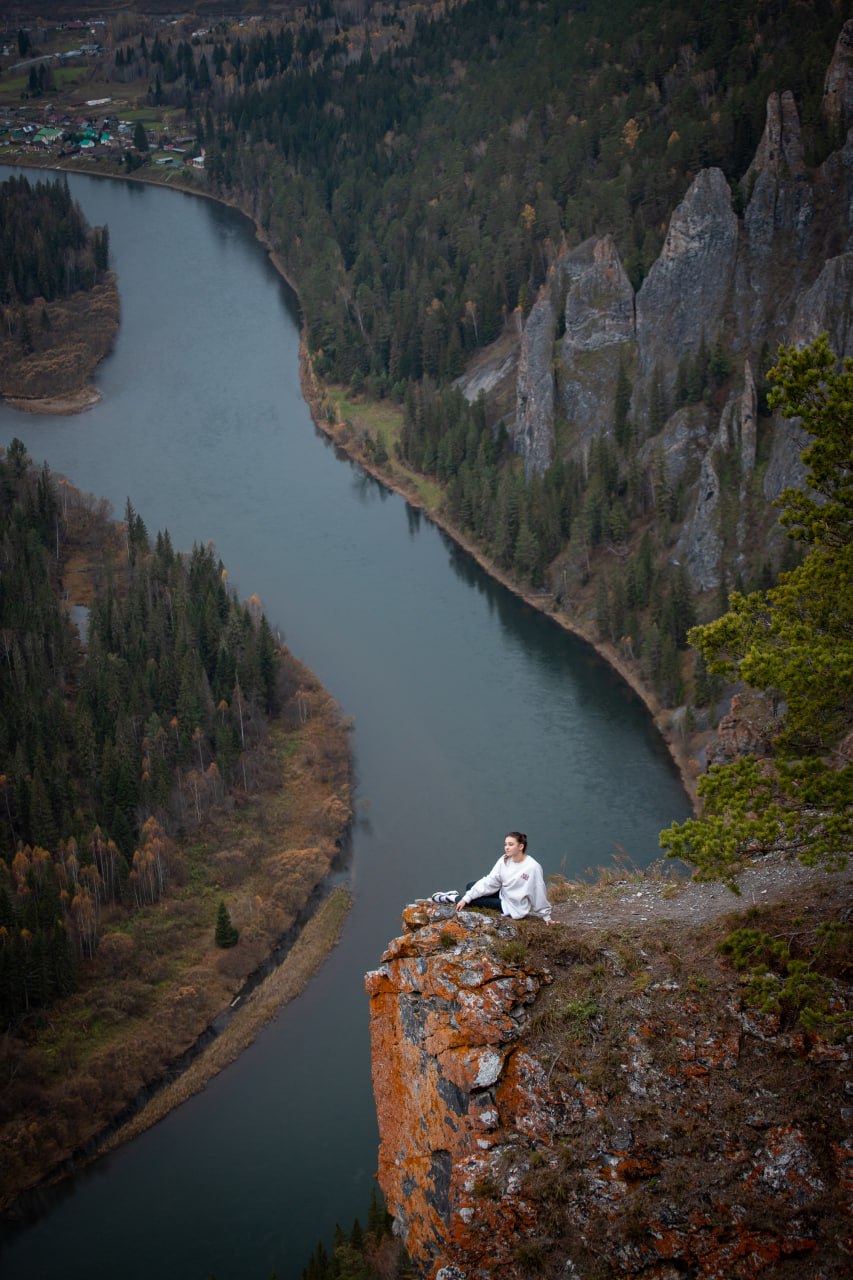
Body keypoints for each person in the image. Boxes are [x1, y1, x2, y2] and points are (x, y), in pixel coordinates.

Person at [431, 831, 553, 925]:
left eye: (511, 844)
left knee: (471, 901)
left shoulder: (533, 867)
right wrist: (468, 896)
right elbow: (491, 881)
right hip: (503, 894)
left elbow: (538, 891)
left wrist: (546, 916)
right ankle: (460, 896)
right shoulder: (504, 859)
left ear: (521, 847)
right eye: (505, 844)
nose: (506, 847)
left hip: (513, 906)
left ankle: (450, 898)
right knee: (470, 886)